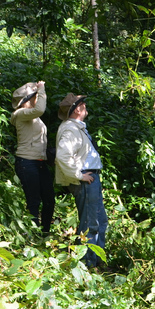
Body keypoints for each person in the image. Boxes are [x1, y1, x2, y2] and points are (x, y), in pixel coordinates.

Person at [55, 93, 108, 268]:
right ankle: (86, 265)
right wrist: (79, 175)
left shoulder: (76, 127)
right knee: (90, 223)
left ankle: (97, 262)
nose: (85, 106)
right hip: (85, 180)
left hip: (89, 178)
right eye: (83, 104)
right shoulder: (70, 129)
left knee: (100, 221)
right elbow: (63, 156)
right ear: (77, 109)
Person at [11, 81, 54, 235]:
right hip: (27, 162)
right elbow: (40, 109)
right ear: (29, 99)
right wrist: (42, 89)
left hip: (40, 163)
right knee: (34, 202)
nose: (37, 98)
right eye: (35, 96)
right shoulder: (21, 114)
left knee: (49, 200)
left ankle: (45, 234)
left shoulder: (33, 116)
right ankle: (33, 237)